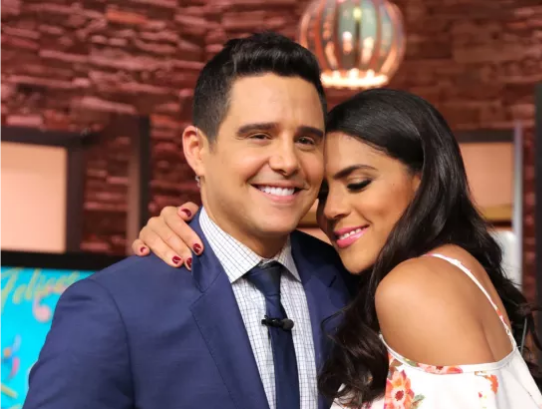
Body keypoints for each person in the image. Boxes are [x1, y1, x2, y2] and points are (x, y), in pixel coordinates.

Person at [133, 88, 542, 408]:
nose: (332, 210)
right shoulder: (456, 267)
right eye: (325, 193)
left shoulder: (412, 287)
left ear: (423, 179)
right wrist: (197, 229)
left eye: (358, 183)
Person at [24, 32, 354, 409]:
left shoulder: (348, 281)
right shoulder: (113, 306)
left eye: (306, 141)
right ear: (197, 151)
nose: (288, 162)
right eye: (260, 136)